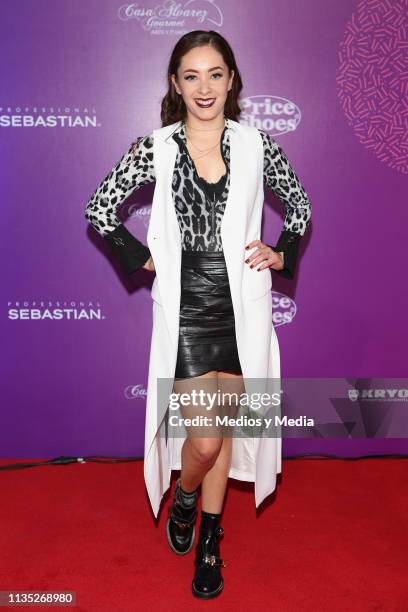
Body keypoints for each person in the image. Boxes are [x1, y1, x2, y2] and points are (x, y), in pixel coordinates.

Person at [84, 30, 312, 599]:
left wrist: (282, 251)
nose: (204, 87)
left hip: (244, 301)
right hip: (187, 304)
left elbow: (301, 206)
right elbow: (100, 208)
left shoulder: (259, 146)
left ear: (232, 80)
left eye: (215, 74)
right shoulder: (155, 146)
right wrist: (144, 258)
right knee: (204, 441)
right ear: (175, 84)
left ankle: (209, 540)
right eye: (191, 76)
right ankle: (184, 498)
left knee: (224, 431)